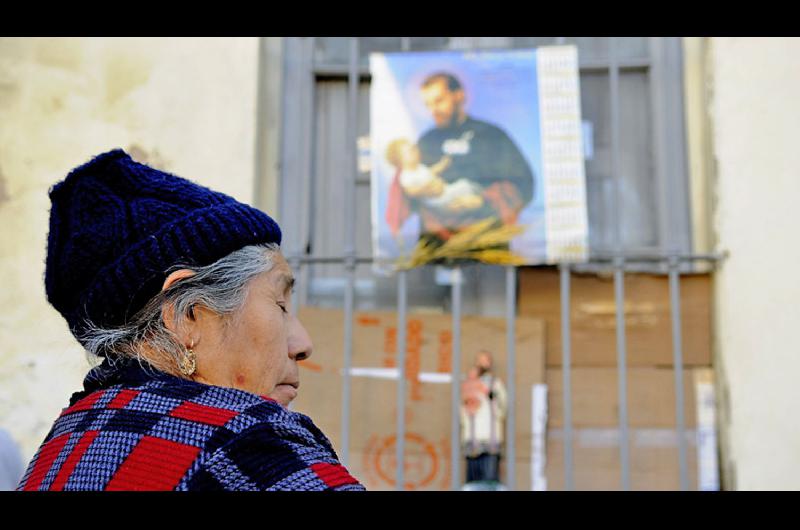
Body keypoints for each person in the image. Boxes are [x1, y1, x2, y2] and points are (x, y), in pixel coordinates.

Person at [17, 149, 365, 491]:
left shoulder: (60, 449)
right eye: (280, 304)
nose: (303, 344)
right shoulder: (246, 446)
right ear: (187, 316)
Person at [406, 72, 535, 242]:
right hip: (437, 248)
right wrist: (415, 192)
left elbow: (523, 184)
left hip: (485, 246)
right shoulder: (426, 141)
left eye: (439, 101)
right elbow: (408, 194)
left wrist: (483, 201)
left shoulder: (491, 135)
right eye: (428, 105)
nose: (433, 110)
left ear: (459, 96)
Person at [384, 138, 483, 237]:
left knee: (463, 184)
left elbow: (432, 171)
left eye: (414, 149)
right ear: (398, 160)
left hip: (445, 192)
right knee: (461, 194)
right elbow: (411, 191)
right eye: (409, 151)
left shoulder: (419, 167)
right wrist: (425, 187)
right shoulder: (406, 176)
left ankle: (480, 194)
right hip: (438, 202)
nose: (415, 152)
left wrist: (442, 164)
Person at [460, 350, 507, 484]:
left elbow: (502, 406)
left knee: (489, 481)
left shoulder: (495, 384)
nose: (482, 364)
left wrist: (489, 392)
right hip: (472, 439)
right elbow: (463, 409)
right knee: (472, 483)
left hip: (489, 439)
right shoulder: (468, 383)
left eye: (485, 360)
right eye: (480, 360)